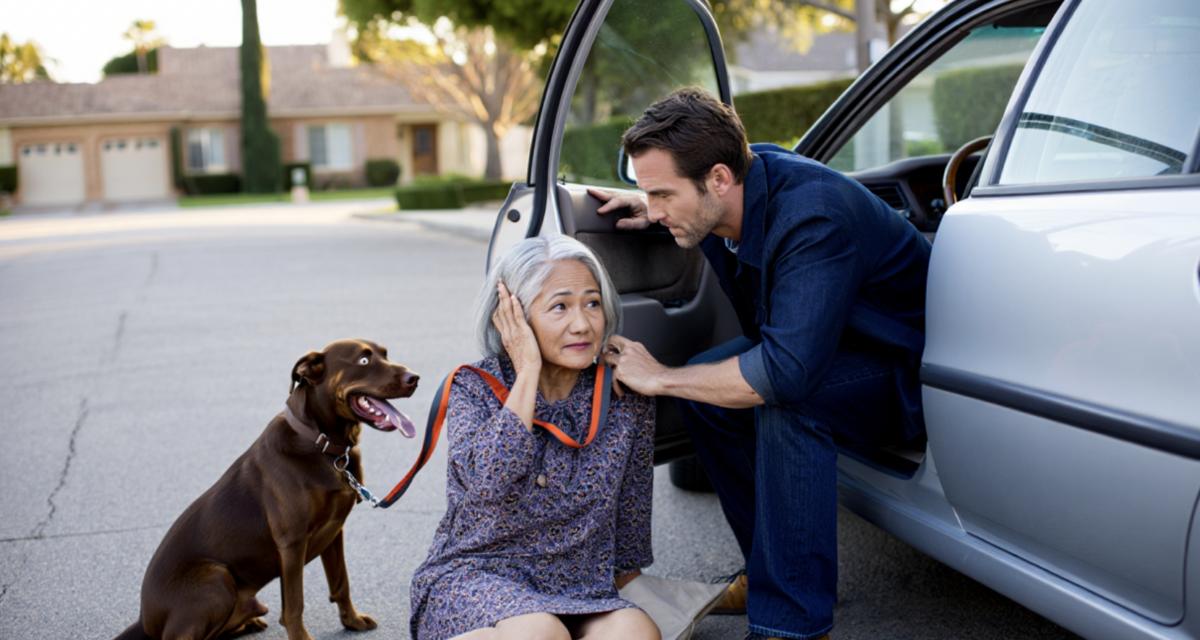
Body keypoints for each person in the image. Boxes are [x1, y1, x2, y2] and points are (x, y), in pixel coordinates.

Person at [590, 87, 931, 640]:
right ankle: (769, 573)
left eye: (661, 195)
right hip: (832, 344)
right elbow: (780, 357)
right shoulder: (744, 177)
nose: (653, 209)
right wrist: (651, 206)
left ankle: (790, 622)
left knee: (783, 402)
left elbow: (785, 374)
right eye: (646, 192)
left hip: (904, 372)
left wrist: (662, 377)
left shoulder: (813, 217)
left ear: (719, 179)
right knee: (709, 392)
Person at [409, 235, 660, 640]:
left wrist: (636, 591)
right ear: (513, 317)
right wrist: (526, 370)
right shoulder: (474, 387)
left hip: (581, 586)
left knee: (637, 631)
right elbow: (487, 484)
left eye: (592, 303)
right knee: (540, 633)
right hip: (479, 577)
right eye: (559, 306)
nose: (582, 324)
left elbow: (631, 510)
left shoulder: (623, 394)